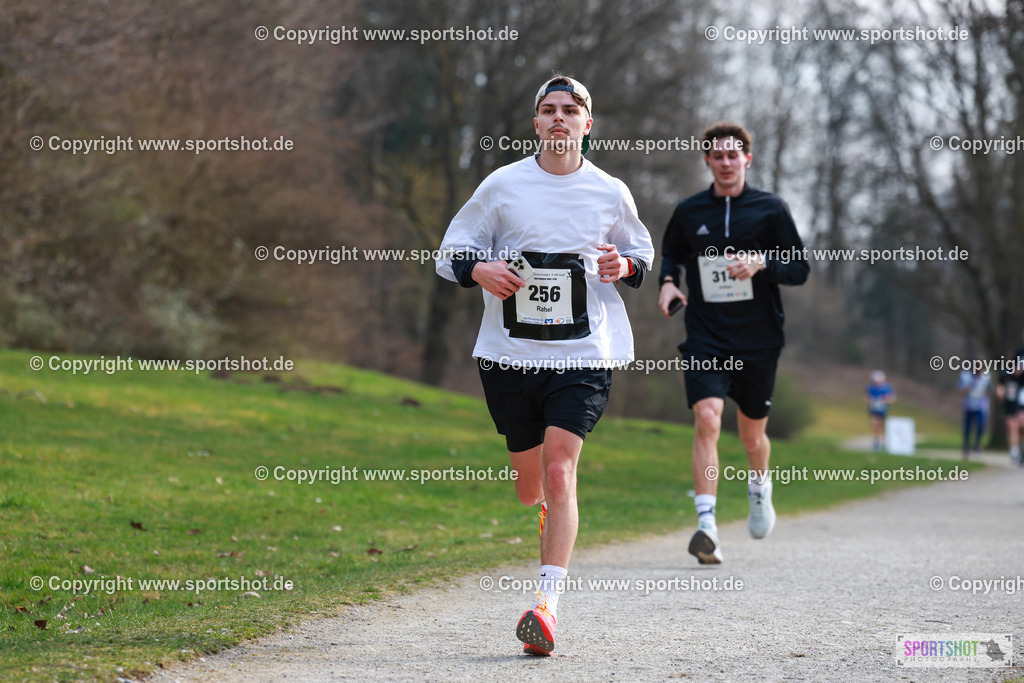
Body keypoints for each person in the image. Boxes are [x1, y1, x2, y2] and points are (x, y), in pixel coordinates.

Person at [435, 76, 654, 655]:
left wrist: (624, 267)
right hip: (509, 355)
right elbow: (450, 252)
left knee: (560, 472)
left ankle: (547, 608)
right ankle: (543, 511)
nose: (560, 118)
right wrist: (478, 269)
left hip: (583, 354)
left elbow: (641, 252)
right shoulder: (502, 185)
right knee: (529, 487)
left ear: (587, 124)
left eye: (571, 110)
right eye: (549, 110)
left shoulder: (609, 191)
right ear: (536, 123)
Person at [658, 122, 809, 565]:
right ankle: (707, 525)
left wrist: (762, 262)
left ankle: (759, 488)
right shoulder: (689, 211)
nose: (725, 163)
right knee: (707, 418)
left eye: (733, 155)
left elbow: (799, 268)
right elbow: (671, 254)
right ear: (707, 160)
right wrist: (668, 283)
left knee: (751, 436)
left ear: (747, 159)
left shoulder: (770, 209)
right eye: (717, 156)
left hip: (758, 339)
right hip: (706, 334)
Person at [995, 334, 1024, 463]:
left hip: (1019, 401)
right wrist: (1000, 392)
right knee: (1011, 426)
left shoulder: (1020, 378)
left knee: (1020, 426)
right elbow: (1000, 385)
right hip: (1010, 403)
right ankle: (1014, 451)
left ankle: (1019, 451)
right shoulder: (1005, 373)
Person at [958, 363, 991, 460]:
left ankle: (977, 445)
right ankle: (966, 447)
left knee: (981, 426)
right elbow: (960, 390)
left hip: (981, 406)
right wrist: (967, 388)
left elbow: (989, 389)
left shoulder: (986, 376)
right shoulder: (966, 376)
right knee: (967, 428)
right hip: (968, 405)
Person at [865, 370, 896, 452]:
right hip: (874, 409)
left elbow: (892, 398)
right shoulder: (870, 387)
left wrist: (884, 401)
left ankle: (885, 442)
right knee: (875, 424)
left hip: (883, 409)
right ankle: (876, 442)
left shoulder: (887, 387)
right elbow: (867, 397)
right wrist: (872, 401)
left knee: (884, 426)